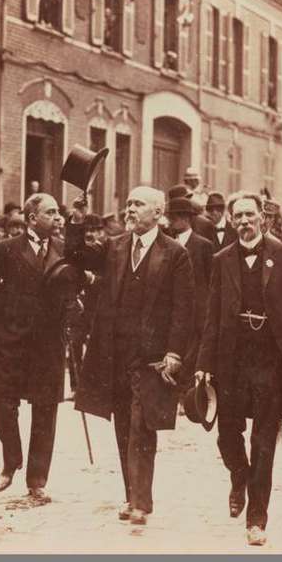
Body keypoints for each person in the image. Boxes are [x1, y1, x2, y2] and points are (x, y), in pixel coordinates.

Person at [66, 187, 194, 525]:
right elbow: (76, 256)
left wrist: (175, 352)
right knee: (123, 425)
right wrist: (77, 221)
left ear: (157, 212)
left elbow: (184, 309)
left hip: (151, 358)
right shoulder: (115, 246)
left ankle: (141, 501)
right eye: (128, 204)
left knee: (142, 425)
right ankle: (130, 494)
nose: (130, 210)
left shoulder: (175, 253)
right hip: (115, 354)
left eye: (138, 204)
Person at [195, 192, 282, 546]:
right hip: (232, 359)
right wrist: (203, 364)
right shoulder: (221, 259)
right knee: (227, 434)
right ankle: (238, 475)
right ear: (230, 221)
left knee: (264, 442)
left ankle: (256, 518)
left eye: (250, 215)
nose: (244, 222)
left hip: (270, 361)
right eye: (237, 216)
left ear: (263, 218)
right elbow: (212, 315)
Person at [0, 194, 72, 501]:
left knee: (45, 411)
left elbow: (73, 288)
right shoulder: (5, 250)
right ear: (32, 218)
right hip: (11, 341)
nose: (58, 218)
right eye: (51, 212)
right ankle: (11, 459)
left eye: (58, 212)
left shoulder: (63, 250)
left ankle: (37, 478)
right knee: (2, 402)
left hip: (49, 345)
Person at [165, 191, 213, 369]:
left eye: (175, 217)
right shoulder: (166, 244)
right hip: (172, 312)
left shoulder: (203, 246)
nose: (171, 221)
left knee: (192, 362)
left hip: (197, 314)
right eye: (170, 217)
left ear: (186, 218)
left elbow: (210, 281)